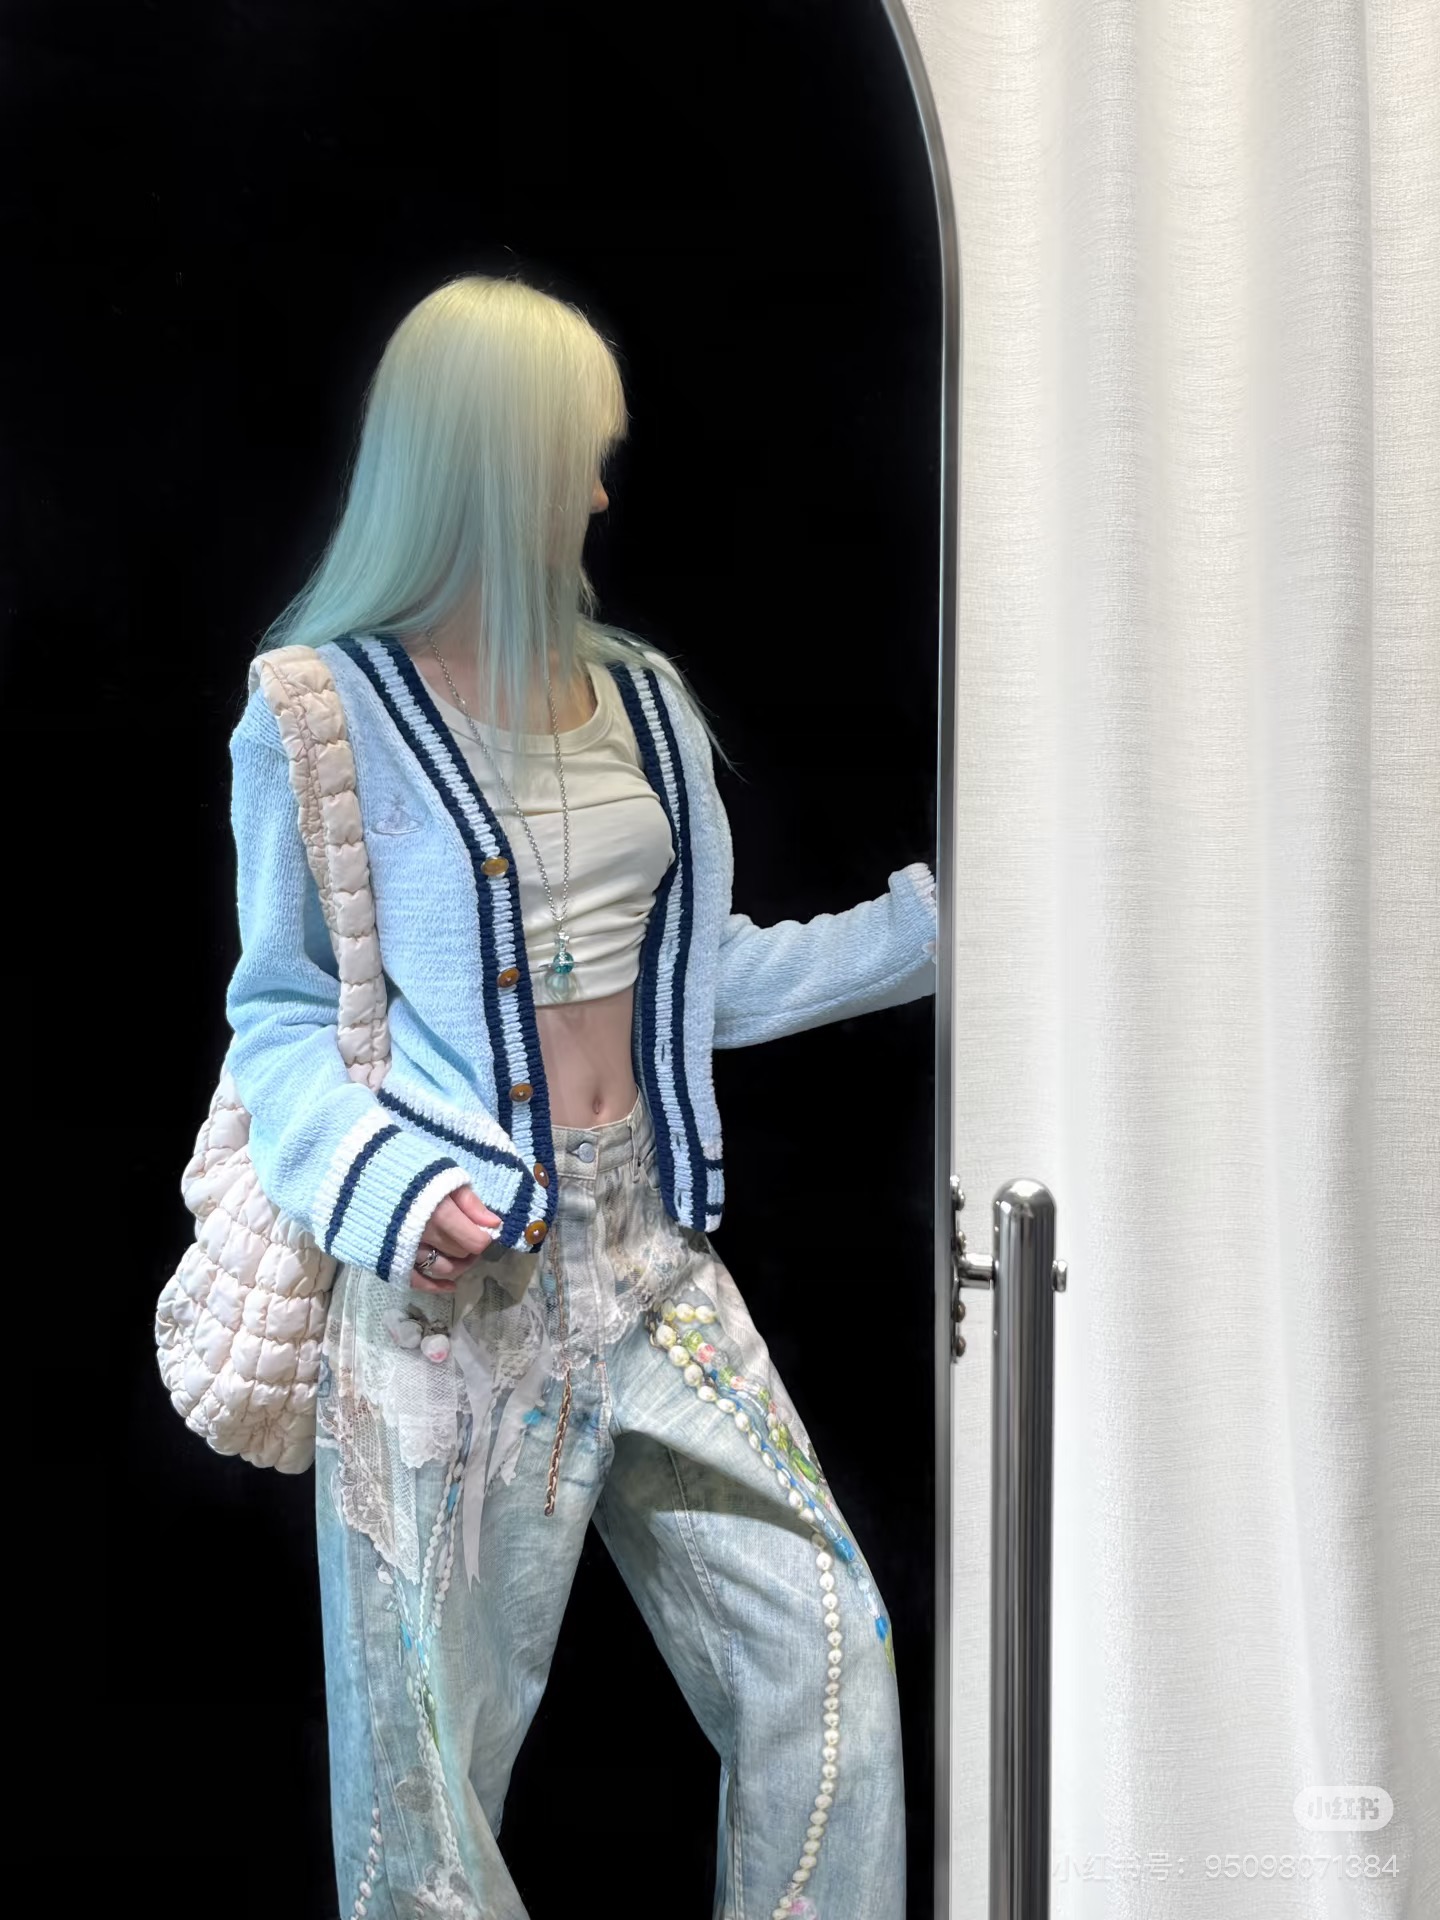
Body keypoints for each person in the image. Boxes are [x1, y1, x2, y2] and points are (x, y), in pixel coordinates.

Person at [223, 273, 937, 1920]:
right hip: (448, 1294)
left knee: (825, 1654)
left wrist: (931, 935)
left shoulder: (645, 704)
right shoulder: (319, 712)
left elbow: (704, 981)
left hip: (647, 1250)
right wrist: (390, 1184)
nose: (603, 495)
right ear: (481, 463)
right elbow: (277, 1015)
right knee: (427, 1782)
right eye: (574, 457)